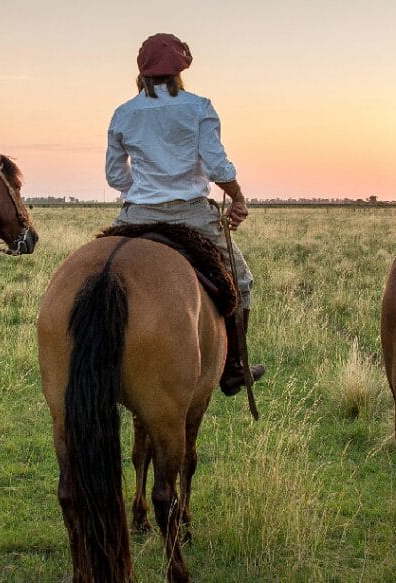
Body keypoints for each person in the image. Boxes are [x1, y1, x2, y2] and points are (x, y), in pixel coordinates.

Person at [105, 33, 264, 396]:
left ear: (142, 73)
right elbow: (217, 167)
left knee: (94, 270)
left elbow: (115, 175)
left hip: (136, 216)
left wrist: (144, 197)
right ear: (179, 71)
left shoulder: (123, 114)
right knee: (241, 281)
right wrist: (237, 197)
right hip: (190, 215)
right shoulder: (198, 107)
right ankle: (234, 367)